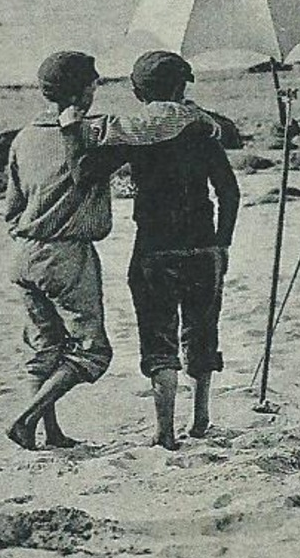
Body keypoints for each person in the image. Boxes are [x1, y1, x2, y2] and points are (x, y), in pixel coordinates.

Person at [4, 50, 220, 451]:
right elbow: (158, 120)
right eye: (94, 82)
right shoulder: (94, 129)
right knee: (92, 354)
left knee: (44, 346)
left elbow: (11, 207)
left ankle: (47, 432)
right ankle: (26, 418)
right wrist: (202, 118)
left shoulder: (23, 137)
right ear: (85, 90)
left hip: (23, 253)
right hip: (67, 255)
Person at [87, 51, 240, 449]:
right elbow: (229, 191)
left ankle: (165, 431)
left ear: (138, 92)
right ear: (182, 87)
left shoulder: (137, 136)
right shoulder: (201, 131)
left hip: (154, 248)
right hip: (203, 247)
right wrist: (223, 243)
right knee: (202, 332)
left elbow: (89, 170)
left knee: (159, 340)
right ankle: (202, 417)